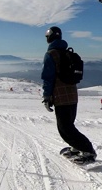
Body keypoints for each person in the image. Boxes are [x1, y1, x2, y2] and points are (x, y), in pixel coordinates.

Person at [41, 26, 96, 164]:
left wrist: (47, 96)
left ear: (49, 38)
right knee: (69, 125)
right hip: (72, 95)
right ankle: (76, 147)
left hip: (61, 97)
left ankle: (88, 150)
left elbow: (47, 77)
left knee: (65, 128)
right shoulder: (67, 53)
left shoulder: (51, 55)